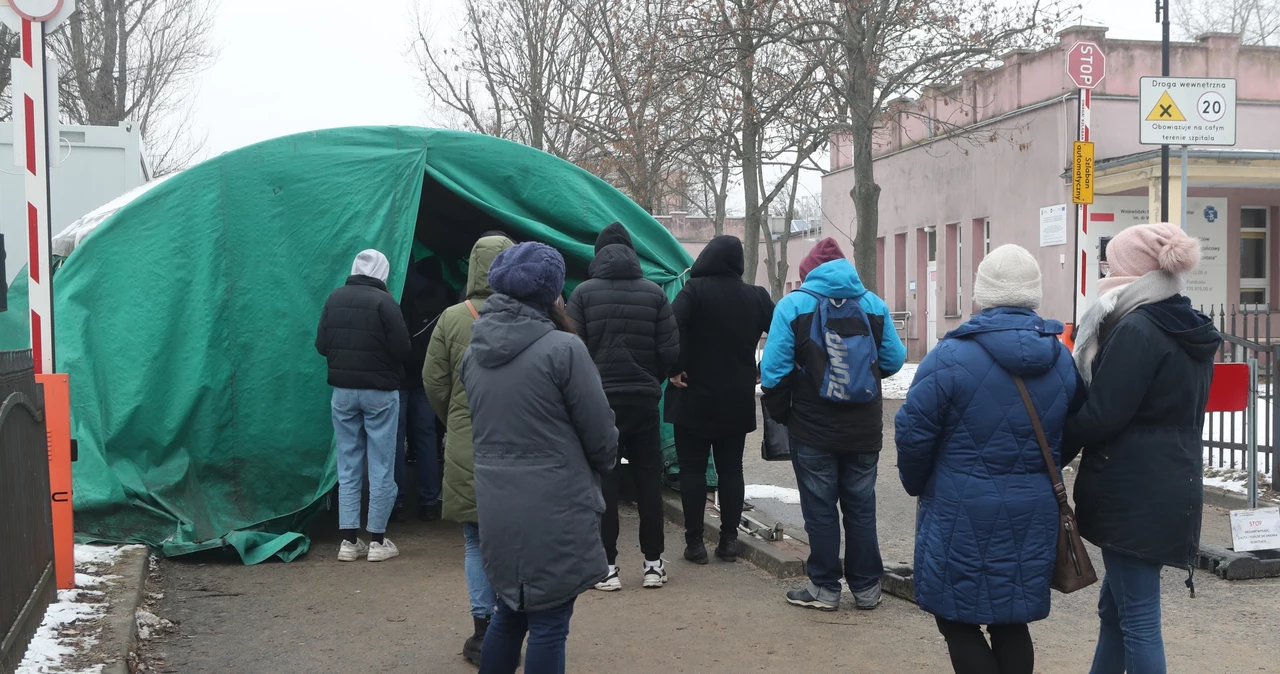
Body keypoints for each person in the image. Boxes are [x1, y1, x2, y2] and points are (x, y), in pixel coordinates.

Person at [895, 245, 1082, 674]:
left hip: (959, 508)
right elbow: (1075, 428)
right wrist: (1042, 464)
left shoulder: (950, 355)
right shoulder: (1061, 359)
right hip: (1033, 508)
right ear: (1033, 294)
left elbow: (913, 432)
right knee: (1011, 620)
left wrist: (919, 482)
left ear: (982, 293)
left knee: (955, 617)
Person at [1064, 223, 1220, 674]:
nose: (1106, 268)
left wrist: (1052, 448)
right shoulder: (1188, 325)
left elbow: (1103, 415)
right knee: (1115, 614)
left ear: (1131, 268)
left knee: (1138, 622)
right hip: (1170, 482)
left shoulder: (1137, 327)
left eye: (1112, 260)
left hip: (1130, 490)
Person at [460, 242, 618, 674]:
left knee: (509, 612)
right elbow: (601, 435)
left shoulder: (473, 355)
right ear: (552, 292)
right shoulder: (564, 349)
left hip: (496, 503)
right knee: (550, 621)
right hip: (555, 504)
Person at [759, 237, 905, 611]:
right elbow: (893, 359)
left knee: (820, 509)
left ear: (809, 272)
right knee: (860, 506)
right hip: (864, 427)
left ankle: (824, 589)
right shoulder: (873, 304)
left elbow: (773, 372)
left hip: (812, 427)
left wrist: (785, 412)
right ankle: (867, 588)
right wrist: (862, 375)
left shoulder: (793, 305)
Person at [566, 222, 679, 591]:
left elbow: (572, 349)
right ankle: (652, 564)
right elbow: (668, 351)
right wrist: (651, 379)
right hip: (644, 400)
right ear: (633, 254)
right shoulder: (654, 294)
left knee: (605, 484)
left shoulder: (582, 294)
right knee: (649, 483)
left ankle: (607, 567)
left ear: (598, 254)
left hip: (600, 403)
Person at [424, 234, 515, 666]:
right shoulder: (529, 316)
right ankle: (511, 625)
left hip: (466, 439)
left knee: (475, 541)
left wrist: (454, 420)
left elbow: (433, 381)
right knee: (513, 539)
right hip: (516, 442)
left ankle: (481, 633)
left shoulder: (451, 318)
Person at [665, 235, 773, 564]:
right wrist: (763, 368)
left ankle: (695, 543)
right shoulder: (756, 296)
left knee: (693, 471)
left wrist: (675, 367)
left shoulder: (693, 292)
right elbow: (785, 335)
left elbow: (669, 326)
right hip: (735, 397)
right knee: (731, 470)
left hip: (692, 394)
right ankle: (729, 541)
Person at [314, 249, 412, 563]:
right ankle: (378, 541)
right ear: (382, 272)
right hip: (381, 393)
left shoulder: (334, 298)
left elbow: (321, 345)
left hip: (342, 392)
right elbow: (402, 348)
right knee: (381, 465)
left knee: (348, 464)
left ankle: (348, 540)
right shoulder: (386, 302)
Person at [393, 257, 452, 523]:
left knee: (395, 438)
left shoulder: (393, 288)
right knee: (427, 436)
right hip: (427, 372)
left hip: (398, 373)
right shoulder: (437, 291)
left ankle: (395, 502)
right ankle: (429, 500)